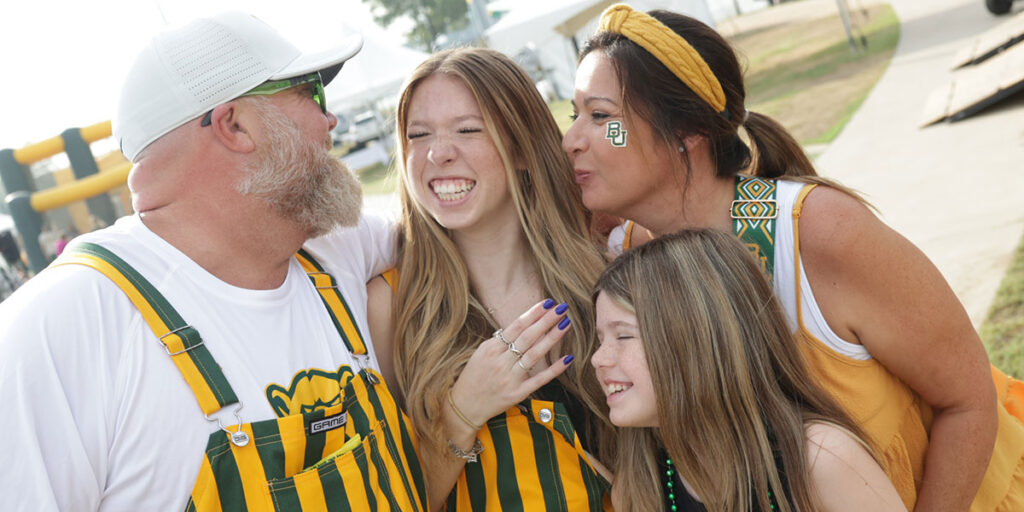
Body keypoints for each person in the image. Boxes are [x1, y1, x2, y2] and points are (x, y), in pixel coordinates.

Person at [562, 4, 1024, 511]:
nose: (571, 140)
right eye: (574, 115)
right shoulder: (627, 257)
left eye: (602, 117)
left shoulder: (816, 233)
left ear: (686, 131)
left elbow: (968, 399)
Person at [0, 12, 426, 511]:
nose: (329, 120)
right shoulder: (59, 328)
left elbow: (470, 235)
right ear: (235, 125)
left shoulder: (337, 248)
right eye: (312, 92)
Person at [366, 47, 614, 511]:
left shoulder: (607, 276)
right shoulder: (390, 306)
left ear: (521, 147)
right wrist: (461, 412)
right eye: (418, 135)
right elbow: (398, 499)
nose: (438, 153)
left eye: (467, 130)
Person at [593, 229, 906, 512]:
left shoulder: (821, 459)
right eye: (600, 339)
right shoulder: (639, 485)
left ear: (697, 342)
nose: (598, 359)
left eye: (623, 335)